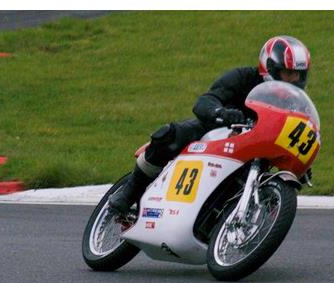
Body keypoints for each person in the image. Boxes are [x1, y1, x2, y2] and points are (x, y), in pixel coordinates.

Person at [108, 35, 312, 215]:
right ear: (270, 68)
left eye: (297, 75)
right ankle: (128, 194)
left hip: (255, 148)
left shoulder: (294, 102)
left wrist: (298, 159)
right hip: (216, 132)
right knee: (168, 135)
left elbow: (296, 129)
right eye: (287, 73)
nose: (293, 80)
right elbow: (205, 101)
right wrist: (221, 113)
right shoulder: (243, 77)